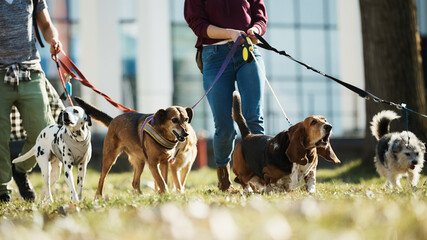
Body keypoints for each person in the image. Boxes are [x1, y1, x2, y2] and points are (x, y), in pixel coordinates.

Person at [184, 0, 267, 192]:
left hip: (248, 51)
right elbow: (198, 24)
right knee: (224, 126)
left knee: (253, 118)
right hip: (214, 55)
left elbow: (259, 16)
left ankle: (260, 177)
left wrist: (255, 30)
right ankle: (224, 176)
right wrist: (229, 32)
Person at [0, 0, 63, 202]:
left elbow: (45, 25)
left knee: (43, 132)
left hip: (31, 72)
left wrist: (53, 39)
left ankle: (20, 170)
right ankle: (2, 190)